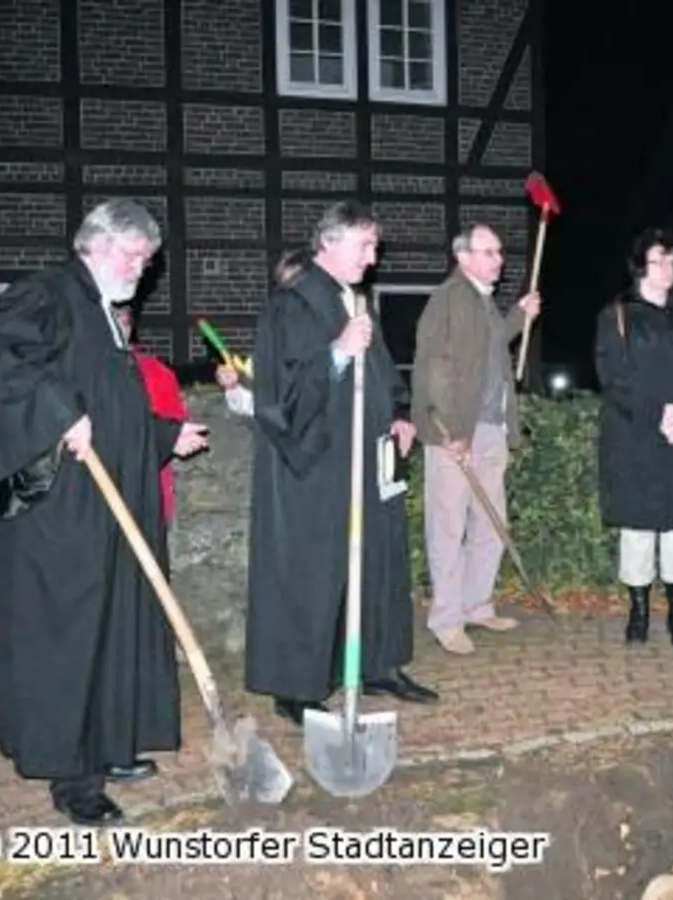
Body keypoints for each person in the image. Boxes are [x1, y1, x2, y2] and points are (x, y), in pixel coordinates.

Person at [0, 199, 211, 825]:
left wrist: (162, 436)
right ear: (96, 244)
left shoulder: (99, 313)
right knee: (69, 640)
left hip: (111, 508)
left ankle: (108, 744)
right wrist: (55, 413)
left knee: (112, 634)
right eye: (134, 256)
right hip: (65, 517)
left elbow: (110, 413)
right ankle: (73, 776)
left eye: (147, 260)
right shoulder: (48, 294)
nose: (141, 270)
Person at [245, 201, 437, 726]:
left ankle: (375, 665)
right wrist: (334, 353)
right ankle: (297, 686)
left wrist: (398, 414)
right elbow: (278, 398)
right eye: (365, 246)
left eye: (375, 246)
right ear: (328, 243)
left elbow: (380, 376)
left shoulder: (354, 301)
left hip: (369, 460)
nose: (373, 258)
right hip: (317, 469)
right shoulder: (292, 307)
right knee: (314, 571)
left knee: (376, 562)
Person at [410, 223, 541, 655]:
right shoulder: (449, 298)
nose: (499, 260)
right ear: (463, 257)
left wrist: (520, 315)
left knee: (490, 524)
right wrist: (452, 430)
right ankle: (446, 619)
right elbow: (434, 368)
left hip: (488, 428)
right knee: (448, 527)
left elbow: (489, 349)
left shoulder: (481, 302)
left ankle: (476, 605)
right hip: (455, 432)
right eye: (489, 252)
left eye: (499, 252)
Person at [592, 229, 673, 648]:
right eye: (659, 260)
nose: (668, 269)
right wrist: (657, 414)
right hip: (635, 437)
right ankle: (639, 613)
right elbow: (614, 377)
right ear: (639, 266)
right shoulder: (618, 315)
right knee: (639, 528)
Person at [112, 303, 188, 550]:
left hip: (143, 490)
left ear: (129, 325)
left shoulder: (155, 372)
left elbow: (170, 430)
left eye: (121, 322)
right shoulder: (75, 370)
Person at [213, 246, 312, 417]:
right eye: (286, 289)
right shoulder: (273, 342)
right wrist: (233, 387)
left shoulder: (342, 334)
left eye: (300, 286)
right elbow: (250, 405)